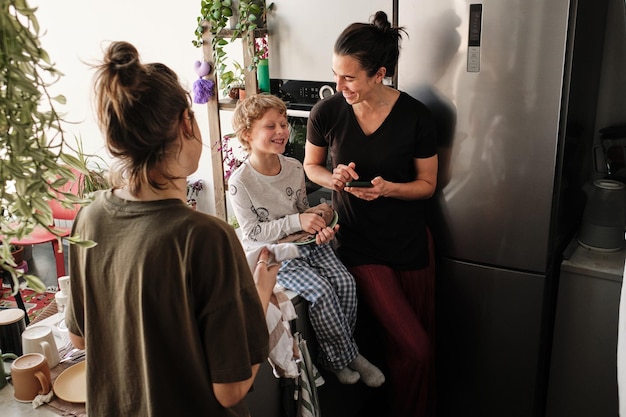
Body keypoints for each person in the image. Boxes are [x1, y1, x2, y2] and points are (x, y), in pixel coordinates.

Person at [64, 41, 278, 417]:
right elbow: (231, 390)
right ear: (186, 123)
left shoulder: (91, 215)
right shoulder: (206, 236)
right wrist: (261, 290)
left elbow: (78, 337)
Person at [302, 11, 438, 417]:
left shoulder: (416, 116)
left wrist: (389, 189)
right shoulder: (326, 112)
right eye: (335, 75)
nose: (339, 86)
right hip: (360, 245)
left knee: (410, 352)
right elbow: (312, 166)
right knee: (416, 348)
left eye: (349, 78)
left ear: (379, 74)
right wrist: (335, 179)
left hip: (412, 245)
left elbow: (427, 184)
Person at [228, 94, 385, 387]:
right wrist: (298, 222)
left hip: (309, 244)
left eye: (284, 123)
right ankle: (346, 358)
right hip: (277, 254)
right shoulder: (240, 182)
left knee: (347, 283)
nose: (282, 131)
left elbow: (302, 211)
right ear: (247, 134)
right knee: (322, 292)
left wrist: (322, 225)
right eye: (271, 125)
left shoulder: (294, 167)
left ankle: (340, 354)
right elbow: (253, 234)